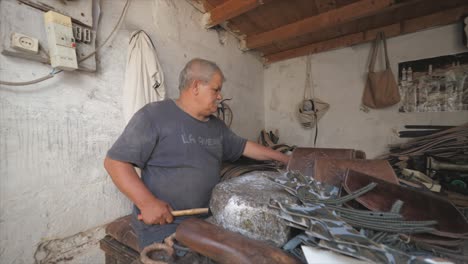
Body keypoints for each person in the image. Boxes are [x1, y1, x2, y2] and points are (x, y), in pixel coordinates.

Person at [104, 58, 289, 248]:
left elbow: (243, 147)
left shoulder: (216, 126)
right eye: (216, 89)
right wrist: (147, 203)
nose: (220, 96)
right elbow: (115, 163)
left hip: (208, 219)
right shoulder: (154, 115)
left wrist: (286, 158)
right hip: (166, 226)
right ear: (196, 87)